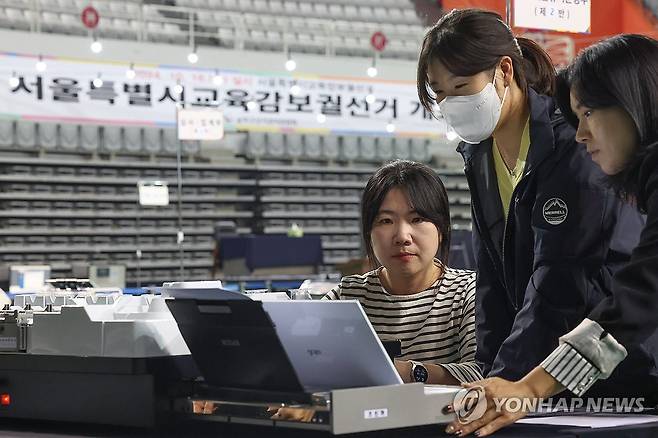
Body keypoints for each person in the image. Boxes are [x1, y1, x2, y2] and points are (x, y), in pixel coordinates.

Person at [416, 8, 655, 400]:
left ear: (504, 72)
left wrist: (515, 385)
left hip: (623, 373)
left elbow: (571, 287)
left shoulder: (573, 151)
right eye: (439, 92)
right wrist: (494, 377)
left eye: (460, 87)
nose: (582, 133)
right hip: (559, 366)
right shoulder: (479, 157)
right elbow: (492, 283)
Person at [323, 159, 482, 384]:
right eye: (386, 221)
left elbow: (483, 374)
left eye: (417, 219)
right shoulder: (348, 297)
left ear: (442, 229)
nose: (402, 236)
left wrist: (408, 372)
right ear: (369, 232)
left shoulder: (468, 293)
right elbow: (312, 369)